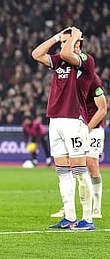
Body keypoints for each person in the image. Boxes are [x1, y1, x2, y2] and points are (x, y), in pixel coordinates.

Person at [31, 26, 95, 230]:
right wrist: (57, 36)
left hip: (73, 121)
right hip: (55, 120)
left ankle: (88, 219)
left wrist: (74, 34)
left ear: (78, 44)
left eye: (67, 42)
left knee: (79, 170)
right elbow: (36, 54)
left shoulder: (85, 61)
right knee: (62, 172)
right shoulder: (60, 62)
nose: (62, 46)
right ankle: (69, 217)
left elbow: (68, 52)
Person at [51, 72, 107, 219]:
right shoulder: (70, 78)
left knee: (91, 164)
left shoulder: (92, 79)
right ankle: (68, 208)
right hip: (75, 127)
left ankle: (96, 208)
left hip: (93, 129)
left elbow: (102, 109)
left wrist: (86, 129)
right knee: (70, 165)